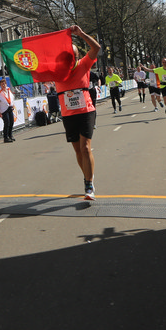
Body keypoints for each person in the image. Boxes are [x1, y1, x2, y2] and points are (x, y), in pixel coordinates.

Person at [54, 25, 102, 200]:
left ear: (77, 56)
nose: (70, 57)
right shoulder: (56, 72)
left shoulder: (84, 64)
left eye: (72, 54)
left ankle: (88, 184)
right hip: (68, 115)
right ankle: (88, 176)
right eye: (66, 55)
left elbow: (96, 48)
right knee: (77, 150)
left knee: (85, 147)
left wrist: (81, 34)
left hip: (86, 111)